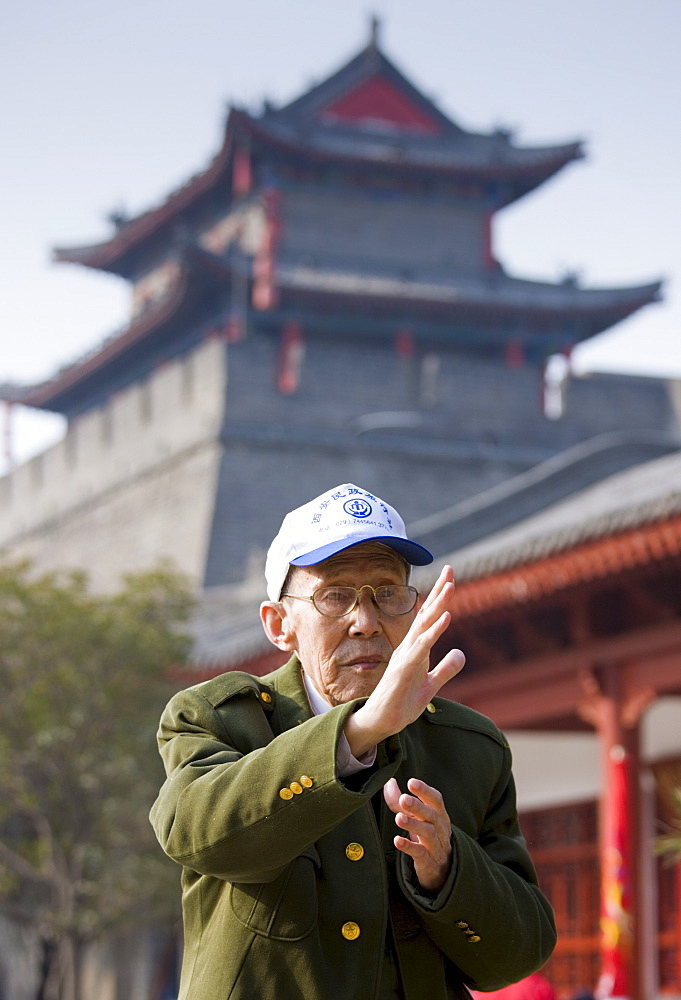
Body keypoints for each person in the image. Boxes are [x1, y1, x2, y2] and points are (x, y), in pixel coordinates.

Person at [150, 483, 556, 1000]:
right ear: (280, 624)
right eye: (335, 596)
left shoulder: (470, 747)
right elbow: (193, 831)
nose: (365, 622)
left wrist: (447, 869)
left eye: (387, 593)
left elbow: (518, 956)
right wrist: (358, 734)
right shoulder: (219, 718)